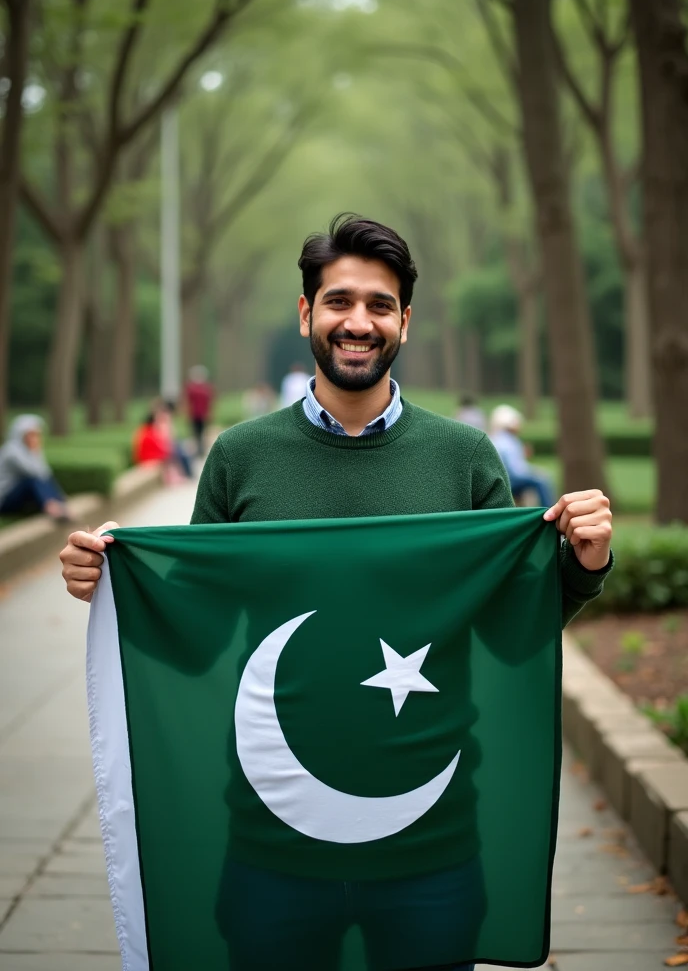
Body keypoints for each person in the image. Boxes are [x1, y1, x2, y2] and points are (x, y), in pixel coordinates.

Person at [60, 213, 613, 971]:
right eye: (339, 301)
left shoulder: (465, 459)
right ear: (306, 314)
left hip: (433, 847)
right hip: (270, 850)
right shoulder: (240, 458)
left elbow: (514, 631)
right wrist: (114, 585)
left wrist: (583, 563)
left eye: (380, 306)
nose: (359, 322)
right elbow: (196, 634)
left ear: (406, 323)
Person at [0, 414, 69, 521]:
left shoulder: (28, 450)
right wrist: (35, 451)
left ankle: (59, 503)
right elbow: (35, 473)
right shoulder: (11, 452)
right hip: (4, 500)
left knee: (42, 480)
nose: (36, 438)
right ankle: (51, 507)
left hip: (18, 496)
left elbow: (46, 475)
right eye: (31, 435)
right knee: (32, 481)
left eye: (37, 435)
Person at [489, 404, 555, 508]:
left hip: (502, 480)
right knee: (542, 480)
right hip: (510, 480)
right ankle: (549, 510)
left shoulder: (497, 438)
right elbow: (517, 471)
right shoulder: (507, 440)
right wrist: (537, 472)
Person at [185, 365, 214, 457]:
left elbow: (210, 401)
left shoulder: (206, 387)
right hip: (194, 414)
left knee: (202, 431)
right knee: (195, 432)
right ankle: (198, 448)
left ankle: (201, 448)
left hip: (202, 414)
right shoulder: (191, 387)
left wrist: (210, 412)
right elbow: (187, 401)